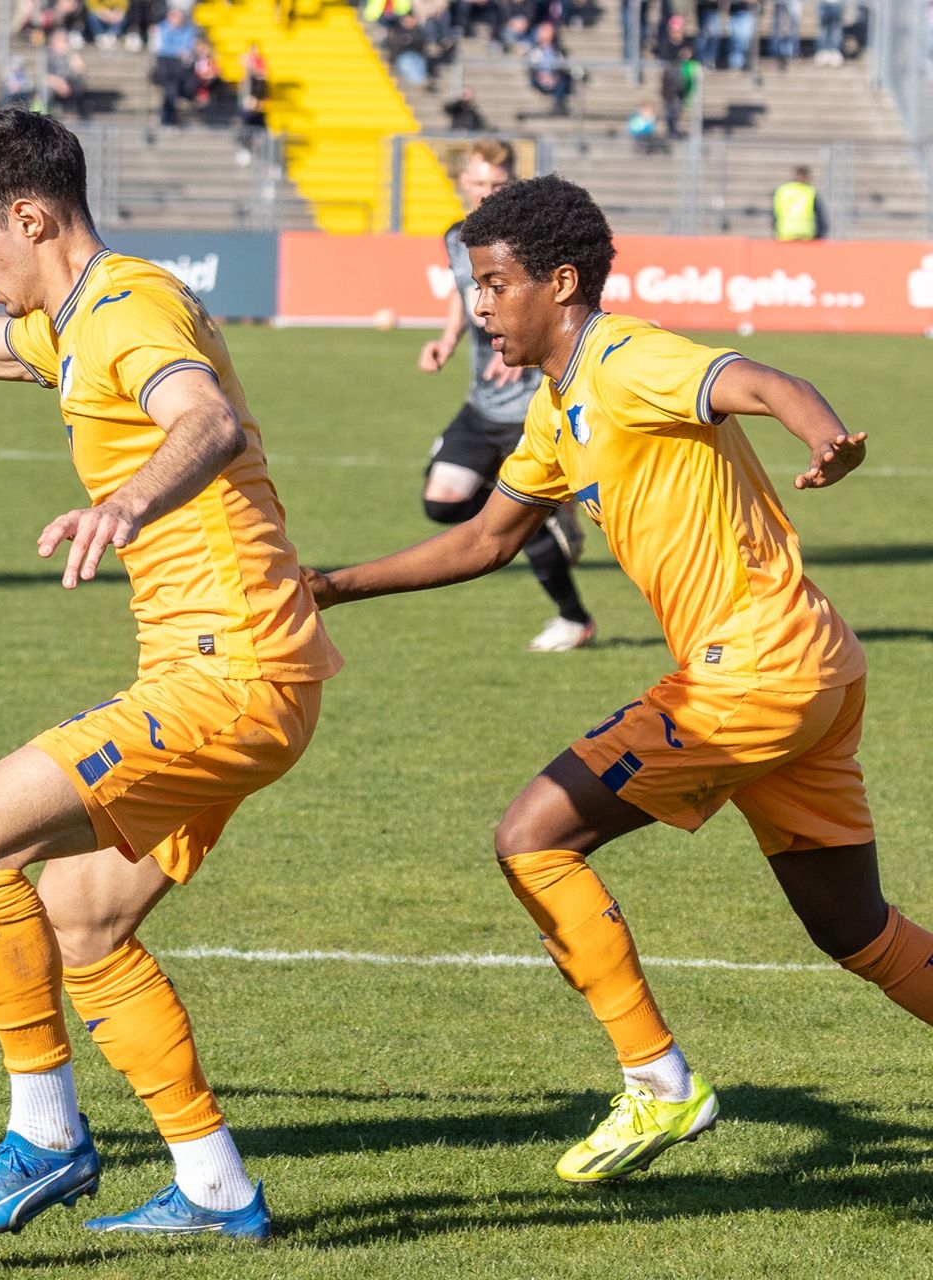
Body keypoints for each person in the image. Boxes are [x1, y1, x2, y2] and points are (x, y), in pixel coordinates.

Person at [0, 107, 342, 1243]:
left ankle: (44, 1132)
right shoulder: (73, 319)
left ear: (31, 215)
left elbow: (207, 418)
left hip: (227, 670)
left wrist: (132, 497)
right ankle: (216, 1187)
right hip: (255, 668)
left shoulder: (130, 309)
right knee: (83, 921)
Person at [308, 174, 927, 1186]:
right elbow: (483, 540)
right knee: (854, 927)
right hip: (813, 664)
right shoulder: (557, 408)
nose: (479, 306)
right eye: (472, 285)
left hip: (756, 669)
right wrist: (326, 586)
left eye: (494, 284)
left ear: (557, 282)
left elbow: (756, 379)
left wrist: (824, 432)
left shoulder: (629, 359)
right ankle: (660, 1077)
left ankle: (659, 1079)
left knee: (531, 834)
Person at [417, 141, 594, 652]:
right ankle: (543, 520)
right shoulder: (456, 238)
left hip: (533, 405)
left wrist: (519, 344)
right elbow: (464, 297)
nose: (489, 193)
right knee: (442, 503)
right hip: (482, 402)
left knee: (508, 515)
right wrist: (448, 342)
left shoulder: (531, 240)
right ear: (465, 186)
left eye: (499, 184)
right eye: (481, 184)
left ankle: (573, 618)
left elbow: (568, 307)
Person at [773, 164, 825, 240]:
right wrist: (819, 235)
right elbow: (820, 216)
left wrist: (776, 229)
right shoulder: (810, 192)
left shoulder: (783, 191)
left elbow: (775, 213)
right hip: (806, 236)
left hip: (785, 235)